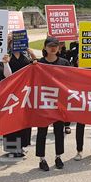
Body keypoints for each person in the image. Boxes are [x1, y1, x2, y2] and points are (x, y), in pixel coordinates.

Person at [36, 37, 71, 171]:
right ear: (45, 48)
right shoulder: (38, 64)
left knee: (59, 131)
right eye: (50, 45)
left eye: (55, 45)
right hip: (43, 102)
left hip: (59, 102)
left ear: (59, 47)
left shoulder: (65, 63)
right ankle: (41, 159)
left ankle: (58, 157)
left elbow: (73, 79)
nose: (53, 48)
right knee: (42, 131)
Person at [3, 34, 38, 158]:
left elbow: (36, 65)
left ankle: (22, 145)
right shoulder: (7, 56)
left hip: (24, 92)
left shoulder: (25, 56)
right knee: (11, 118)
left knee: (23, 119)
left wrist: (31, 52)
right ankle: (12, 148)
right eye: (12, 42)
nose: (15, 45)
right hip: (10, 93)